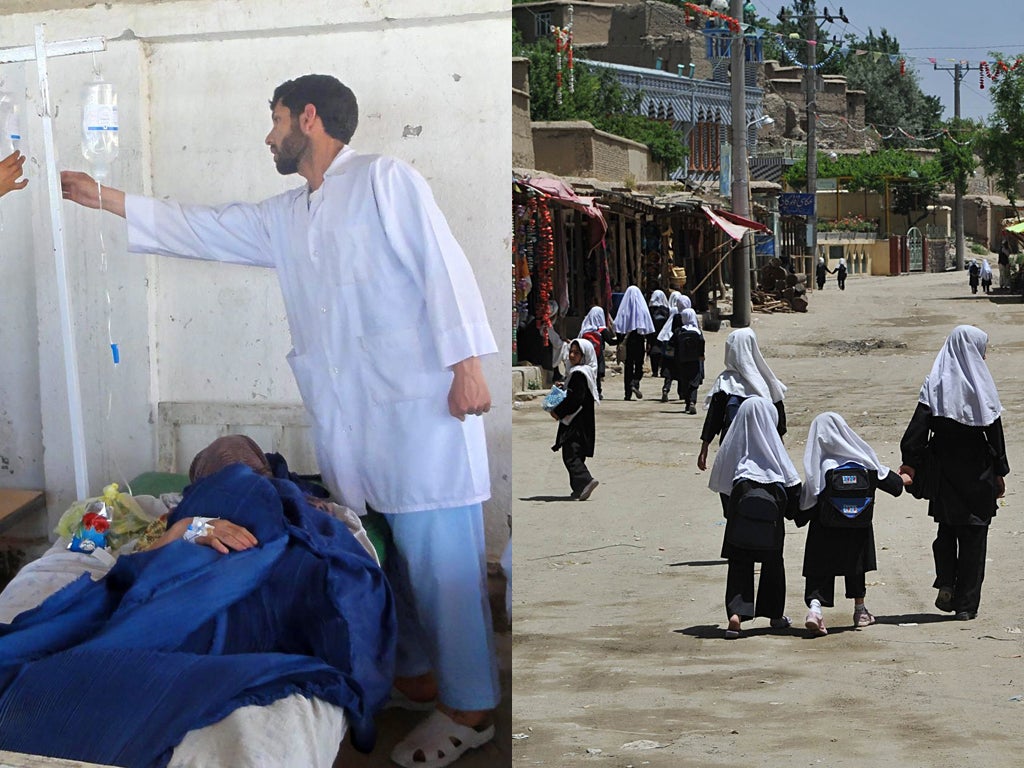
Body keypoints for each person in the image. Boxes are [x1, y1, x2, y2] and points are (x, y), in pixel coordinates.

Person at [61, 74, 499, 767]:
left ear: (308, 117)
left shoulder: (386, 180)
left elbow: (443, 267)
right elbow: (201, 226)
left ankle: (471, 705)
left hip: (421, 412)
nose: (269, 136)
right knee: (384, 557)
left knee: (441, 562)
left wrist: (468, 365)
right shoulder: (288, 216)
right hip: (354, 423)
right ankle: (416, 678)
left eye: (274, 121)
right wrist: (105, 198)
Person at [0, 437, 396, 766]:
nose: (227, 457)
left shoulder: (302, 501)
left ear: (265, 467)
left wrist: (299, 512)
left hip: (275, 569)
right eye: (214, 459)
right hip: (196, 562)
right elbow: (143, 564)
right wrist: (192, 525)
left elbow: (333, 547)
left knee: (317, 589)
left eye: (240, 456)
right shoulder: (182, 511)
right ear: (198, 482)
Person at [898, 325, 1009, 621]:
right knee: (974, 537)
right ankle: (966, 606)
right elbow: (995, 437)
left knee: (946, 531)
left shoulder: (935, 383)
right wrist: (1000, 473)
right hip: (979, 473)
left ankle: (947, 581)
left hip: (944, 473)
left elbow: (915, 435)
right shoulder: (982, 385)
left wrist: (911, 464)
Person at [797, 412, 904, 637]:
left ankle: (815, 610)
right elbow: (894, 486)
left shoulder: (822, 465)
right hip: (858, 527)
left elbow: (807, 501)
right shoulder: (862, 459)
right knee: (856, 562)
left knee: (819, 563)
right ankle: (860, 611)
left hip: (824, 528)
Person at [707, 396, 802, 639]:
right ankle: (775, 616)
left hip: (740, 524)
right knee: (773, 564)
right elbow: (793, 487)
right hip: (771, 527)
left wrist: (734, 515)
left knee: (739, 564)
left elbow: (722, 486)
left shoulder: (734, 451)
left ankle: (736, 616)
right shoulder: (775, 452)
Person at [697, 328, 787, 472]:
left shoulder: (725, 383)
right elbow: (779, 422)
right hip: (763, 449)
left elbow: (714, 418)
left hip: (733, 449)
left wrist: (704, 449)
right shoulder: (767, 382)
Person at [550, 338, 600, 501]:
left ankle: (586, 480)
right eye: (571, 351)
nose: (571, 355)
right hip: (582, 421)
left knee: (570, 455)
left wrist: (558, 411)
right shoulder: (583, 371)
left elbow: (575, 399)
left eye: (576, 353)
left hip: (575, 422)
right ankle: (579, 488)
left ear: (584, 355)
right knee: (577, 454)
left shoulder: (579, 373)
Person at [613, 285, 654, 401]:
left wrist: (619, 343)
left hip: (628, 342)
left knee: (628, 366)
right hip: (639, 341)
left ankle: (627, 393)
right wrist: (649, 343)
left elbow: (618, 327)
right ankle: (635, 383)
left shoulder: (623, 310)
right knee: (639, 365)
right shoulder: (643, 309)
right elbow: (649, 327)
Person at [660, 308, 704, 412]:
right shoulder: (697, 332)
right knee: (694, 382)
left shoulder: (678, 331)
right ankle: (693, 401)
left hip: (681, 361)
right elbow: (702, 344)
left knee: (684, 381)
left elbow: (672, 344)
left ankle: (687, 403)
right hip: (695, 361)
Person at [579, 305, 614, 400]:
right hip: (598, 355)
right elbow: (611, 342)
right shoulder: (602, 330)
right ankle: (597, 392)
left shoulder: (584, 329)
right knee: (597, 374)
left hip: (586, 356)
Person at [647, 289, 671, 378]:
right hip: (663, 335)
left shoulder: (649, 310)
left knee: (654, 352)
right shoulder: (666, 310)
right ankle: (663, 371)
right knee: (663, 352)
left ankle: (655, 371)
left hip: (653, 334)